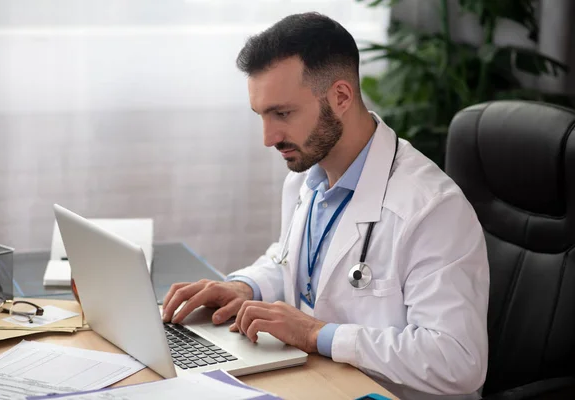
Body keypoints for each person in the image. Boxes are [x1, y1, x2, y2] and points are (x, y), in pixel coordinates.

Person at [162, 12, 489, 400]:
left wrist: (317, 334)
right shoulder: (306, 176)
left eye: (282, 113)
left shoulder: (432, 210)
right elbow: (293, 263)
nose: (269, 138)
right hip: (319, 383)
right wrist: (245, 286)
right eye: (262, 115)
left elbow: (459, 361)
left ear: (341, 96)